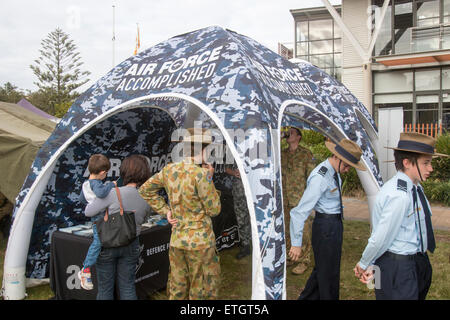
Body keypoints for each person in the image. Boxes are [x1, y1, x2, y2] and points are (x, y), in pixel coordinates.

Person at [354, 132, 446, 300]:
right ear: (407, 163)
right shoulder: (399, 195)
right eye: (426, 163)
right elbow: (381, 237)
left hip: (415, 261)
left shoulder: (415, 188)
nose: (431, 168)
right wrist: (364, 263)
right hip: (398, 267)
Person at [139, 128, 221, 300]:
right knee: (201, 288)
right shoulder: (201, 175)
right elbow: (214, 209)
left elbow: (145, 190)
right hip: (200, 242)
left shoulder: (169, 170)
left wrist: (166, 211)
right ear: (203, 149)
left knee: (177, 285)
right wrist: (209, 179)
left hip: (177, 239)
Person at [289, 138, 366, 300]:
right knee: (326, 273)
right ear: (336, 157)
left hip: (334, 225)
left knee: (327, 270)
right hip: (325, 228)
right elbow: (299, 212)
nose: (346, 170)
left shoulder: (334, 171)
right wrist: (296, 243)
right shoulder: (320, 177)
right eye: (346, 166)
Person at [84, 154, 152, 300]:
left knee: (105, 290)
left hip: (108, 244)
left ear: (124, 171)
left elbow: (89, 212)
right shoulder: (147, 197)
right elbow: (145, 218)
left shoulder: (112, 193)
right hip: (131, 243)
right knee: (127, 286)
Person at [77, 154, 115, 290]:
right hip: (100, 218)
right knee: (98, 242)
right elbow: (101, 194)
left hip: (95, 218)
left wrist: (91, 202)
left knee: (100, 241)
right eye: (106, 174)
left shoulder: (86, 184)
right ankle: (85, 269)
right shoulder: (97, 184)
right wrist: (111, 185)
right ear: (103, 173)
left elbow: (81, 199)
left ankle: (87, 268)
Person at [281, 127, 315, 275]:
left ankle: (304, 260)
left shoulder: (306, 154)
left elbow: (312, 179)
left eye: (292, 132)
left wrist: (310, 199)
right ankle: (292, 257)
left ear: (299, 137)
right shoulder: (282, 154)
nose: (289, 134)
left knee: (304, 231)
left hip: (300, 199)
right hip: (285, 199)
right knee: (288, 229)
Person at [225, 160, 252, 259]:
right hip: (239, 190)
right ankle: (246, 245)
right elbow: (226, 168)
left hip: (255, 188)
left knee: (257, 217)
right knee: (241, 217)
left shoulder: (257, 148)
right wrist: (234, 172)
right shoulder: (234, 150)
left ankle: (260, 244)